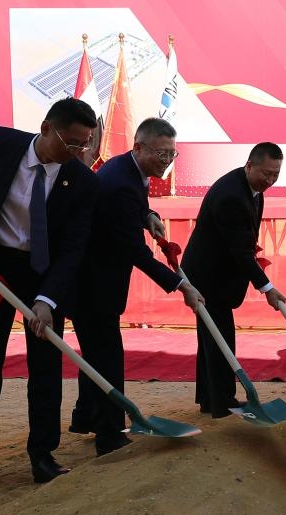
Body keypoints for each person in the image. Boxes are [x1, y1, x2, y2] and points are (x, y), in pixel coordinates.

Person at [0, 98, 99, 495]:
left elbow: (74, 247)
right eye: (72, 142)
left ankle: (42, 454)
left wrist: (47, 299)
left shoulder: (82, 180)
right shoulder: (2, 144)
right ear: (46, 128)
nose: (78, 152)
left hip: (43, 274)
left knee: (45, 367)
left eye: (85, 144)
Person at [68, 118, 204, 454]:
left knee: (97, 352)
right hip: (92, 283)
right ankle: (109, 434)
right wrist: (180, 285)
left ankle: (86, 416)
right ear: (139, 147)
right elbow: (135, 252)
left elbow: (133, 206)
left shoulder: (129, 171)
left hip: (98, 278)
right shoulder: (119, 183)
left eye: (172, 155)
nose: (167, 162)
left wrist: (148, 215)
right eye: (161, 154)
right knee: (108, 356)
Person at [181, 143, 286, 417]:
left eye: (276, 175)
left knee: (212, 336)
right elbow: (241, 252)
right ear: (249, 165)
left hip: (218, 270)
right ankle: (222, 403)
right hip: (207, 274)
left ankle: (211, 398)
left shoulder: (253, 190)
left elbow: (244, 243)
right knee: (219, 338)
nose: (270, 181)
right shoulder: (232, 196)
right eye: (266, 173)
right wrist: (268, 288)